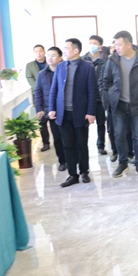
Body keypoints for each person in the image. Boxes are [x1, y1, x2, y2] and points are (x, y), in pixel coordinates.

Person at [102, 30, 138, 178]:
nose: (116, 48)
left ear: (129, 44)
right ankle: (122, 163)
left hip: (137, 104)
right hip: (118, 105)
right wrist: (109, 99)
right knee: (119, 136)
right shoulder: (113, 60)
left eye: (119, 45)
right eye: (115, 45)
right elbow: (106, 81)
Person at [48, 38, 97, 187]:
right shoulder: (60, 67)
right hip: (63, 113)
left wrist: (91, 112)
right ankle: (72, 175)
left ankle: (84, 172)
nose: (64, 51)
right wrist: (52, 108)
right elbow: (54, 89)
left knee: (82, 144)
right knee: (67, 145)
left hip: (80, 113)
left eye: (66, 48)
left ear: (76, 50)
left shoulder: (87, 67)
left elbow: (92, 92)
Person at [34, 47, 66, 171]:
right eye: (48, 55)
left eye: (53, 55)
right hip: (51, 111)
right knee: (57, 138)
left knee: (69, 137)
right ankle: (62, 161)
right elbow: (38, 92)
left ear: (60, 58)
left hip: (66, 109)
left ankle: (74, 159)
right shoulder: (42, 74)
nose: (49, 58)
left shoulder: (66, 71)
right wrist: (39, 108)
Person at [82, 35, 109, 155]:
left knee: (101, 123)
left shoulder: (106, 61)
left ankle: (101, 145)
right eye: (90, 43)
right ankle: (83, 146)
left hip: (100, 97)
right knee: (84, 124)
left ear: (100, 46)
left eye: (94, 43)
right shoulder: (83, 60)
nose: (91, 45)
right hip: (86, 98)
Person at [26, 44, 50, 152]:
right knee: (42, 121)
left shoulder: (50, 62)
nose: (38, 53)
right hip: (38, 95)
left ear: (44, 52)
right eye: (36, 52)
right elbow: (30, 79)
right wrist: (41, 88)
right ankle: (46, 143)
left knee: (55, 119)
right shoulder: (30, 66)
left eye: (40, 51)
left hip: (51, 94)